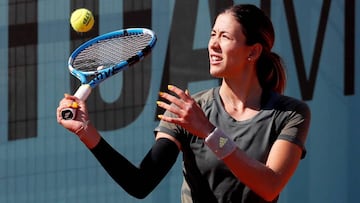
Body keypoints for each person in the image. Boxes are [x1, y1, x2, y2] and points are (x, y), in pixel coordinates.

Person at [56, 4, 311, 203]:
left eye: (225, 37)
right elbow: (140, 183)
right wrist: (86, 132)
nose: (212, 44)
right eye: (212, 34)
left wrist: (209, 133)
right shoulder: (188, 109)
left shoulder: (290, 114)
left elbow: (269, 186)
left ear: (252, 52)